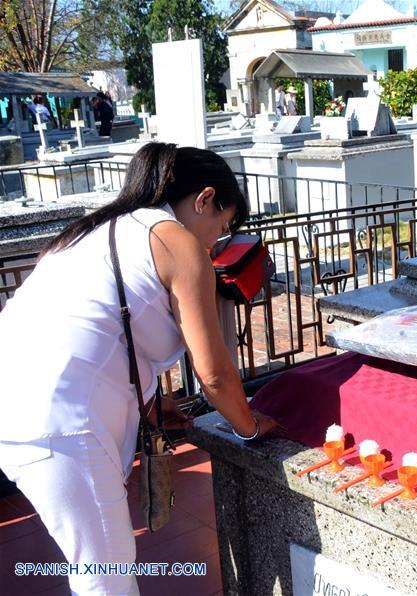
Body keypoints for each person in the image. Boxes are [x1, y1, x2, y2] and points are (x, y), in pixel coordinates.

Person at [0, 143, 282, 595]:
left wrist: (152, 401)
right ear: (204, 199)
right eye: (221, 226)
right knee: (106, 577)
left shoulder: (91, 231)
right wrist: (249, 429)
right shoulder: (176, 240)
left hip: (23, 412)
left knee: (97, 568)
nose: (216, 240)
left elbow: (94, 330)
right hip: (63, 426)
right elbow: (213, 374)